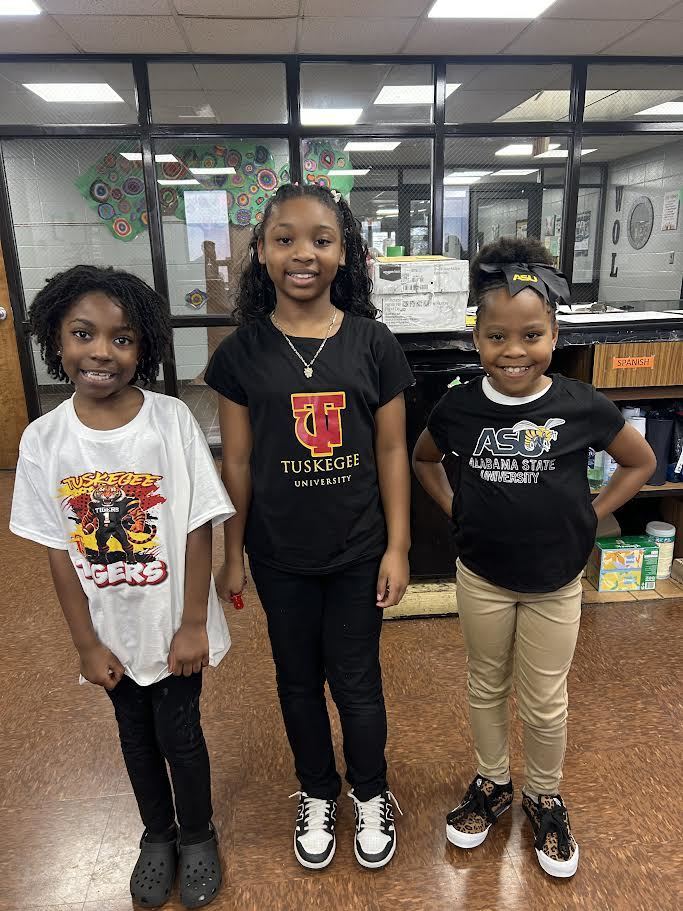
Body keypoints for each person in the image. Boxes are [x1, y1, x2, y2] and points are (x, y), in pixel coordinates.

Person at [412, 237, 656, 879]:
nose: (513, 351)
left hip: (555, 581)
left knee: (545, 698)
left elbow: (640, 462)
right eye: (497, 336)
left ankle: (544, 795)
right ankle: (492, 784)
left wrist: (591, 514)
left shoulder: (582, 404)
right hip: (482, 575)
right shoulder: (460, 406)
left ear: (553, 333)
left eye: (531, 335)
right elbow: (424, 459)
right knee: (485, 683)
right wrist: (456, 508)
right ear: (477, 337)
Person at [10, 265, 234, 909]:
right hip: (110, 630)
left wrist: (194, 622)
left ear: (145, 349)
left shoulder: (170, 423)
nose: (102, 351)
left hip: (173, 628)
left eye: (123, 338)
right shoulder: (44, 441)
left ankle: (197, 834)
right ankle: (156, 835)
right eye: (84, 334)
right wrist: (85, 644)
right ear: (57, 340)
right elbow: (57, 551)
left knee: (180, 735)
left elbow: (196, 527)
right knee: (134, 737)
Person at [205, 183, 413, 871]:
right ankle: (318, 791)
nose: (304, 252)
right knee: (295, 679)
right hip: (278, 552)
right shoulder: (240, 355)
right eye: (285, 238)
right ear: (260, 251)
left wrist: (398, 545)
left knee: (356, 679)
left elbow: (390, 450)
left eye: (321, 239)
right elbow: (234, 461)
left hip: (358, 547)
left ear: (344, 252)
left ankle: (372, 792)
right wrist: (230, 552)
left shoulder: (372, 342)